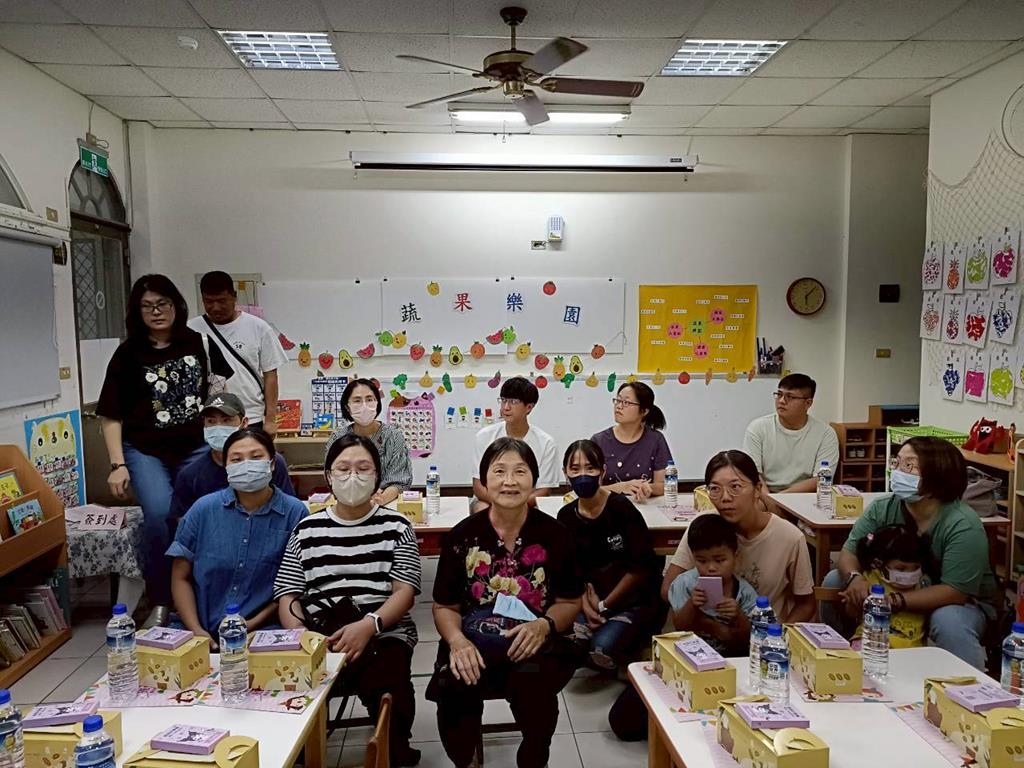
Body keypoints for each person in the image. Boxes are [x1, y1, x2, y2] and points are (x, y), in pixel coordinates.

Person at [430, 437, 584, 768]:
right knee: (454, 684)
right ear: (484, 481)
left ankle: (533, 758)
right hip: (472, 640)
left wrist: (544, 625)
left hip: (535, 640)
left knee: (536, 686)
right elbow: (444, 606)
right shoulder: (462, 536)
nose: (509, 481)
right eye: (499, 471)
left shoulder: (556, 535)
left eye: (520, 471)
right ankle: (466, 760)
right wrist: (457, 641)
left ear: (534, 479)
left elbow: (570, 600)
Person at [274, 434, 421, 767]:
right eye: (343, 468)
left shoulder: (398, 527)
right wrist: (303, 638)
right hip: (320, 634)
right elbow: (288, 593)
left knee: (391, 687)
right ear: (329, 476)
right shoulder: (306, 529)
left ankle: (395, 746)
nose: (352, 476)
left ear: (378, 476)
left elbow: (405, 591)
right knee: (294, 702)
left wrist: (368, 626)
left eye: (363, 468)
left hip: (383, 630)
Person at [98, 274, 233, 628]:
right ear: (137, 311)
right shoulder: (127, 354)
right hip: (145, 451)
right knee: (159, 515)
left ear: (176, 305)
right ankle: (161, 598)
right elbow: (110, 414)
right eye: (147, 306)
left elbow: (220, 395)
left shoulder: (200, 342)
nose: (156, 311)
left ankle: (206, 592)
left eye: (163, 304)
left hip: (196, 446)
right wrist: (117, 464)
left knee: (207, 513)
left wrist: (226, 436)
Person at [822, 437, 996, 670]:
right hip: (888, 585)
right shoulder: (884, 507)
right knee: (834, 580)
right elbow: (848, 553)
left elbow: (955, 591)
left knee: (949, 621)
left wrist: (893, 601)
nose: (897, 472)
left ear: (937, 476)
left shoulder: (963, 524)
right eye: (897, 463)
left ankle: (969, 682)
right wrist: (855, 578)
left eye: (909, 466)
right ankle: (842, 657)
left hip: (956, 602)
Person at [167, 428, 306, 644]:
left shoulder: (294, 513)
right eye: (236, 459)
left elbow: (294, 586)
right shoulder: (203, 509)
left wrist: (250, 624)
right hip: (196, 627)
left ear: (272, 463)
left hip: (263, 630)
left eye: (256, 457)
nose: (247, 465)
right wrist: (196, 630)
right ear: (226, 467)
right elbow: (180, 576)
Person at [661, 451, 816, 624]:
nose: (725, 498)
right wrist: (705, 620)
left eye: (735, 487)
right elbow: (668, 588)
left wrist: (777, 634)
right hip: (705, 632)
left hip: (762, 634)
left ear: (757, 490)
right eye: (715, 489)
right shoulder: (704, 526)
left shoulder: (789, 537)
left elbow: (806, 604)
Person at [556, 439, 663, 670]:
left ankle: (626, 653)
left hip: (629, 601)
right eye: (575, 469)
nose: (583, 475)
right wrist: (587, 606)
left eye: (590, 468)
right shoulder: (565, 517)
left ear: (602, 472)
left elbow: (641, 568)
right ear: (565, 473)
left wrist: (604, 605)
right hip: (589, 601)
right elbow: (571, 570)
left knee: (602, 649)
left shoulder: (621, 509)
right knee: (570, 645)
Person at [168, 393, 295, 523]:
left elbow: (290, 511)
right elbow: (183, 523)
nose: (218, 427)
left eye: (227, 420)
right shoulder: (191, 475)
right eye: (211, 421)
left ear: (244, 423)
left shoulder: (269, 462)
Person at [188, 270, 287, 435]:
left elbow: (271, 376)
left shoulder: (259, 328)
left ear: (234, 297)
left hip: (250, 417)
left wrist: (270, 420)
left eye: (222, 301)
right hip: (208, 420)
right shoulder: (191, 329)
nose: (215, 307)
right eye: (209, 301)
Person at [667, 513, 757, 655]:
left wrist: (738, 615)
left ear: (735, 556)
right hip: (691, 654)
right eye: (702, 561)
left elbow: (749, 639)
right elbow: (680, 627)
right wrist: (691, 604)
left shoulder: (745, 592)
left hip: (732, 657)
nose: (711, 568)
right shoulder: (684, 584)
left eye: (720, 560)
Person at [471, 377, 560, 512]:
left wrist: (514, 505)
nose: (506, 407)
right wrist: (502, 504)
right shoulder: (484, 436)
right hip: (491, 500)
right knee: (482, 508)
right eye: (503, 400)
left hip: (526, 502)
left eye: (513, 402)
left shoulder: (546, 443)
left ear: (529, 407)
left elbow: (543, 490)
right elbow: (478, 486)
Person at [742, 373, 839, 493]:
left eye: (790, 397)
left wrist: (780, 500)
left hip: (804, 496)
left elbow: (820, 479)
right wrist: (769, 500)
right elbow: (754, 474)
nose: (781, 401)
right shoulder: (758, 428)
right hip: (765, 495)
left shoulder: (825, 434)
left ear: (808, 403)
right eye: (779, 394)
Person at [324, 378, 412, 507]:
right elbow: (332, 477)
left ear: (377, 403)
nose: (364, 406)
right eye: (357, 400)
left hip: (385, 504)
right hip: (347, 504)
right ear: (347, 407)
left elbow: (400, 481)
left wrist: (380, 500)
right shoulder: (338, 438)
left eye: (369, 399)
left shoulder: (393, 436)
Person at [849, 525, 930, 650]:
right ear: (879, 564)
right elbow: (852, 612)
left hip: (912, 650)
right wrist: (853, 601)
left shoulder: (924, 585)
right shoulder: (871, 580)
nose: (909, 574)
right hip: (871, 644)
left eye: (915, 568)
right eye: (900, 569)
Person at [592, 381, 671, 501]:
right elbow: (591, 489)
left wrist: (647, 488)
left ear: (644, 411)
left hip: (644, 506)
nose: (619, 406)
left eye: (626, 402)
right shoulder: (599, 441)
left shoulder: (655, 440)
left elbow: (664, 485)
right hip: (607, 506)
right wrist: (619, 487)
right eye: (618, 400)